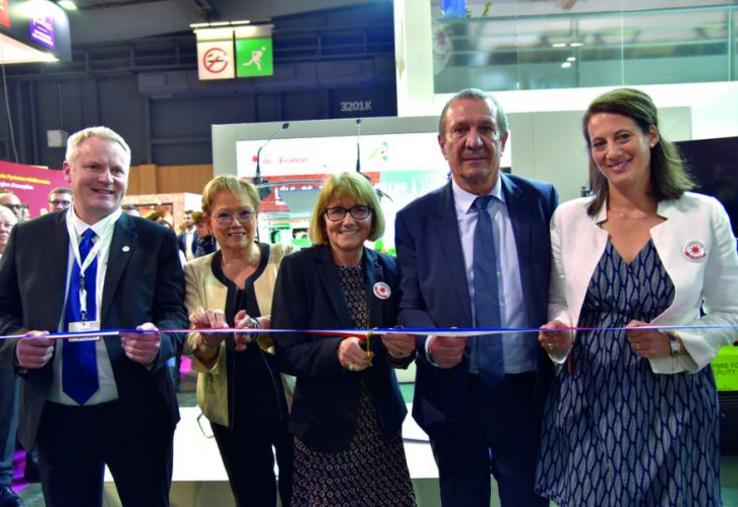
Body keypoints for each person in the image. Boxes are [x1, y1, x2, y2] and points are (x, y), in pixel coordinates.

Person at [535, 87, 738, 506]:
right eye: (599, 143)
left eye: (622, 136)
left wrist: (675, 341)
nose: (611, 152)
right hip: (589, 397)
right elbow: (559, 304)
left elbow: (730, 313)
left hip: (674, 402)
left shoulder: (703, 214)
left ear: (652, 136)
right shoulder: (569, 219)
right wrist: (559, 334)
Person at [0, 126, 188, 507]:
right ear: (67, 171)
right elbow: (4, 312)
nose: (107, 179)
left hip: (137, 410)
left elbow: (174, 315)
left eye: (117, 171)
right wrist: (17, 346)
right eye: (94, 167)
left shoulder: (154, 239)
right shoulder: (27, 237)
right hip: (58, 416)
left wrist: (160, 343)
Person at [394, 88, 558, 507]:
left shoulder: (542, 201)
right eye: (460, 129)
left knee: (530, 500)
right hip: (454, 394)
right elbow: (409, 304)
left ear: (503, 140)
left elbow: (562, 286)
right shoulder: (414, 219)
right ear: (442, 143)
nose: (474, 141)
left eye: (486, 128)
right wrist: (430, 343)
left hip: (528, 393)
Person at [271, 171, 417, 506]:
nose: (347, 220)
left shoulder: (389, 268)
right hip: (324, 427)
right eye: (336, 211)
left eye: (358, 210)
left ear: (372, 216)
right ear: (323, 218)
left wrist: (402, 350)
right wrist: (335, 352)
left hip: (380, 427)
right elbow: (286, 352)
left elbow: (399, 345)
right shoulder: (298, 268)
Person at [185, 175, 294, 507]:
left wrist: (266, 329)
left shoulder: (284, 258)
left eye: (244, 213)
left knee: (301, 493)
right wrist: (208, 339)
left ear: (257, 215)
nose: (236, 224)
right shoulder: (194, 272)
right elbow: (192, 341)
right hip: (230, 406)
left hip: (291, 400)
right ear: (208, 221)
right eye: (224, 215)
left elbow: (304, 325)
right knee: (251, 496)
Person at [0, 207, 20, 507]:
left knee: (6, 417)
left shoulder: (22, 260)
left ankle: (2, 483)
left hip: (8, 352)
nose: (3, 228)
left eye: (7, 224)